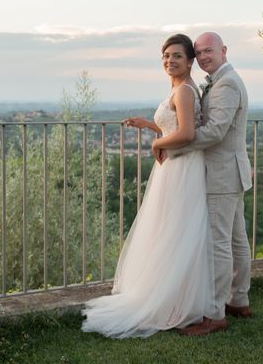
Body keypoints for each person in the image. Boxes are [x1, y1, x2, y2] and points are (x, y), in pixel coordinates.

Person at [81, 34, 215, 339]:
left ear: (190, 60)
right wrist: (151, 125)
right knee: (170, 231)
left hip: (181, 166)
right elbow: (174, 126)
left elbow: (186, 134)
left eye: (177, 56)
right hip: (177, 166)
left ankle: (171, 301)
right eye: (166, 56)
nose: (170, 61)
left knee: (175, 231)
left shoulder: (183, 91)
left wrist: (157, 141)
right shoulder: (181, 89)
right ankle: (171, 294)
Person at [165, 31, 253, 337]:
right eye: (199, 52)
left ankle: (215, 315)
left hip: (222, 175)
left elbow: (215, 132)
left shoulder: (227, 82)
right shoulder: (219, 80)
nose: (203, 57)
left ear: (224, 50)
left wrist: (176, 144)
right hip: (231, 173)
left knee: (220, 244)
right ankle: (239, 300)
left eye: (208, 51)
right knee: (236, 239)